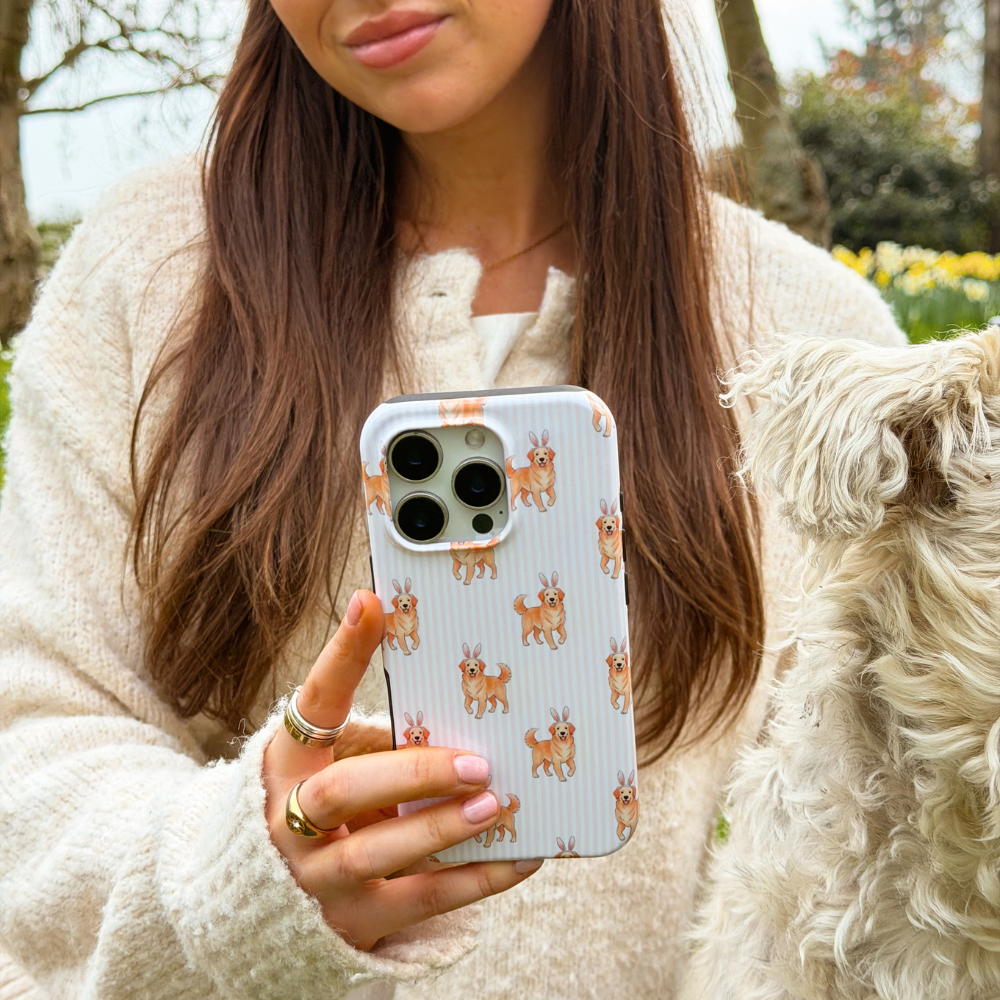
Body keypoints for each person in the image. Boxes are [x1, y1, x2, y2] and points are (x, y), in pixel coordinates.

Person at [0, 0, 906, 997]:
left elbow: (874, 830)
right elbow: (35, 739)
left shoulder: (806, 341)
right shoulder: (154, 270)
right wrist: (232, 878)